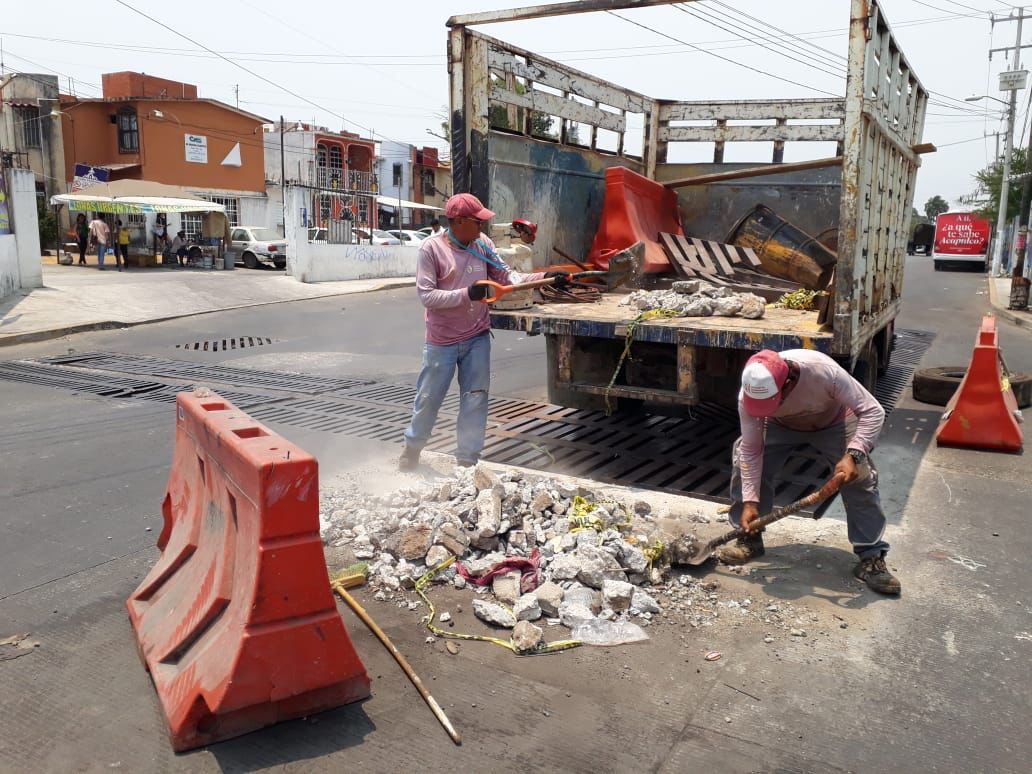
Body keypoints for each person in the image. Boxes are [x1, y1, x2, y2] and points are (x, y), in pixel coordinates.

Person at [399, 193, 568, 470]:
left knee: (476, 398)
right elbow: (427, 297)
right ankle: (412, 450)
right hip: (442, 341)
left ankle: (467, 460)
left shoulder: (483, 244)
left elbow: (508, 277)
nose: (483, 226)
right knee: (429, 400)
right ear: (461, 221)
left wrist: (547, 279)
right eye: (479, 221)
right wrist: (467, 293)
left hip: (476, 336)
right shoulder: (431, 249)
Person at [723, 349, 900, 595]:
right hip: (779, 425)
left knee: (858, 477)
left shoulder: (823, 372)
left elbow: (873, 410)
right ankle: (749, 538)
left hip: (833, 421)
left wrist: (854, 454)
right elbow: (752, 451)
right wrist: (751, 501)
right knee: (743, 456)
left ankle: (871, 555)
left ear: (787, 383)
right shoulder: (749, 394)